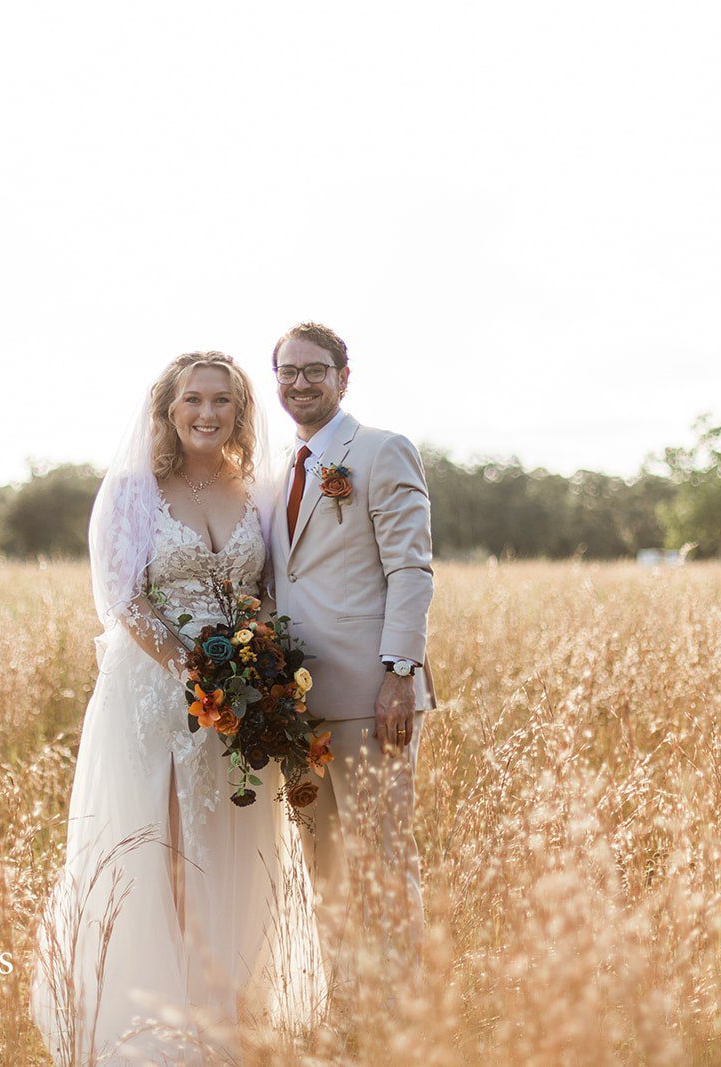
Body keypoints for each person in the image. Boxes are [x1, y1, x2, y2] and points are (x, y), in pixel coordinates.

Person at [30, 351, 321, 1065]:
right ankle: (159, 1027)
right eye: (193, 399)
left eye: (223, 400)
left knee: (235, 847)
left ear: (240, 411)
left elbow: (272, 592)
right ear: (168, 407)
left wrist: (261, 672)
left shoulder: (255, 490)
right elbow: (124, 597)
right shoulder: (135, 489)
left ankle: (229, 1012)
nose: (207, 413)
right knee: (164, 845)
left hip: (244, 696)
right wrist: (191, 667)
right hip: (156, 695)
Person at [266, 322, 438, 999]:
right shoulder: (283, 468)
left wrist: (400, 673)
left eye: (314, 370)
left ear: (344, 376)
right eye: (288, 371)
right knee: (324, 862)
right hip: (294, 705)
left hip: (373, 697)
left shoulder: (380, 451)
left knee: (383, 860)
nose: (300, 383)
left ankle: (399, 1013)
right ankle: (345, 1005)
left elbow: (411, 569)